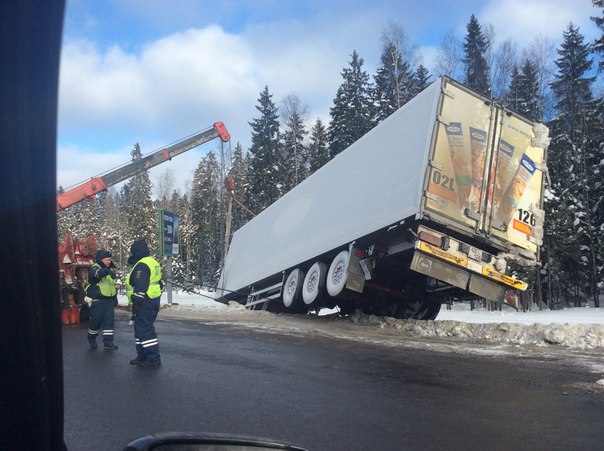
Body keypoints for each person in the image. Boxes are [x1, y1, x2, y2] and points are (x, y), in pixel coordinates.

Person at [125, 239, 163, 367]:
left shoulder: (142, 265)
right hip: (153, 299)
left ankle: (153, 357)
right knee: (140, 327)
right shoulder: (152, 262)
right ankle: (142, 355)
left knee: (145, 328)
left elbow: (141, 285)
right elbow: (159, 282)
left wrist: (136, 301)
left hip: (145, 300)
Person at [85, 250, 119, 350]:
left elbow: (112, 286)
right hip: (97, 300)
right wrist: (107, 271)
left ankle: (108, 343)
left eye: (110, 260)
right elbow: (96, 274)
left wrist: (115, 298)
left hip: (109, 300)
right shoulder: (95, 267)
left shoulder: (110, 269)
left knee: (109, 322)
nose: (109, 261)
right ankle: (91, 337)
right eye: (107, 260)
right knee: (96, 322)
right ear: (101, 260)